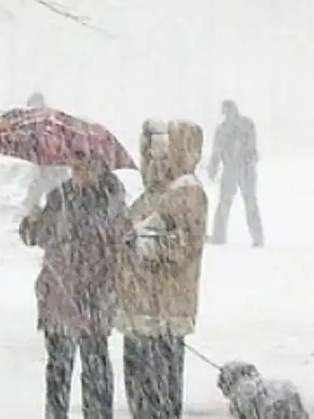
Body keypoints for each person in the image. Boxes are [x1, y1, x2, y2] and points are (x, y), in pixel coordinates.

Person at [18, 151, 132, 419]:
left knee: (95, 365)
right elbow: (37, 238)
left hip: (95, 295)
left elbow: (120, 245)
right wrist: (31, 221)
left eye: (85, 163)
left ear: (100, 165)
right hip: (58, 293)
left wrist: (106, 284)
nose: (78, 169)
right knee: (58, 367)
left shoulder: (111, 199)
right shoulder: (59, 197)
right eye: (75, 163)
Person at [117, 119, 208, 419]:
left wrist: (142, 245)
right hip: (141, 307)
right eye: (150, 152)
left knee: (160, 392)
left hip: (164, 310)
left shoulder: (187, 192)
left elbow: (185, 245)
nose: (155, 160)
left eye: (162, 151)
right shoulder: (153, 194)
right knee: (141, 389)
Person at [207, 99, 264, 247]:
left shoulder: (244, 125)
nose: (227, 115)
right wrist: (213, 167)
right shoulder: (223, 129)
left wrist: (243, 153)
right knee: (225, 205)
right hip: (232, 169)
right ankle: (219, 236)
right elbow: (216, 151)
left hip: (245, 169)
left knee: (249, 204)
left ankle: (257, 237)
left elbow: (251, 145)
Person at [21, 91, 70, 210]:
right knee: (40, 192)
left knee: (53, 194)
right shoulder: (40, 121)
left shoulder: (48, 120)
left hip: (53, 167)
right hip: (49, 167)